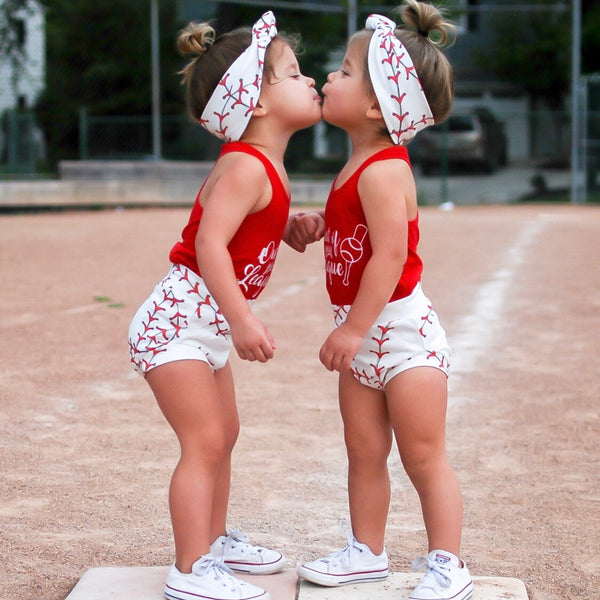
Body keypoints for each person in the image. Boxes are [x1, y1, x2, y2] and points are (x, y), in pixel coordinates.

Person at [128, 12, 322, 600]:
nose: (310, 79)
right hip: (175, 328)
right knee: (205, 441)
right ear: (257, 102)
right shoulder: (244, 163)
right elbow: (209, 244)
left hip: (199, 330)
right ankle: (190, 572)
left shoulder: (264, 163)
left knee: (225, 433)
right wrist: (241, 319)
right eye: (292, 73)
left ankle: (212, 540)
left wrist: (286, 226)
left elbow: (242, 226)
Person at [295, 2, 474, 600]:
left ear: (377, 105)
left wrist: (352, 331)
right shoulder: (356, 165)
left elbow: (391, 258)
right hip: (363, 333)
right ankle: (366, 553)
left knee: (424, 457)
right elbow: (363, 234)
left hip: (402, 337)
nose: (327, 78)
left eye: (344, 71)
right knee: (363, 451)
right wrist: (322, 223)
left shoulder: (383, 170)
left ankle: (448, 564)